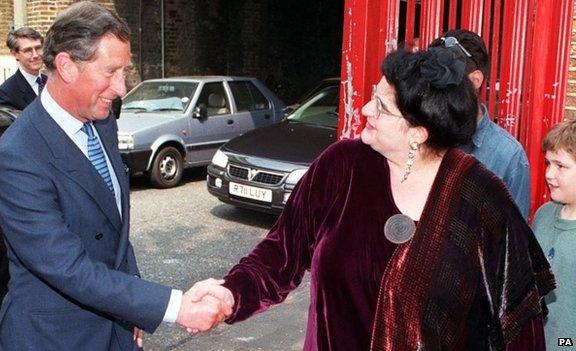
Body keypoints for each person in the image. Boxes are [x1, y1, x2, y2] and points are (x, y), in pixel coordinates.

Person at [191, 46, 555, 350]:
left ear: (417, 132)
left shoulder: (483, 199)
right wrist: (230, 295)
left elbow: (519, 320)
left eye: (381, 106)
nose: (365, 110)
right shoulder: (341, 166)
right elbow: (280, 253)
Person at [0, 3, 229, 350]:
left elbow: (113, 235)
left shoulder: (103, 123)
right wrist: (176, 307)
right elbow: (69, 267)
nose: (121, 87)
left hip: (117, 330)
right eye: (111, 72)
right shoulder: (16, 158)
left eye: (124, 71)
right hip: (54, 340)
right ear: (67, 66)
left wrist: (133, 309)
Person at [429, 29, 531, 218]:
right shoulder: (420, 134)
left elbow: (515, 238)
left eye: (448, 76)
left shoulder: (508, 156)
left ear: (475, 80)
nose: (438, 87)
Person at [532, 119, 576, 349]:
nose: (549, 174)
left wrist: (564, 345)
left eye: (560, 166)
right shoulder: (543, 215)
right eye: (548, 163)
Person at [0, 27, 48, 110]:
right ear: (15, 54)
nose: (35, 55)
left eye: (38, 48)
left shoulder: (50, 82)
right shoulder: (6, 94)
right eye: (28, 50)